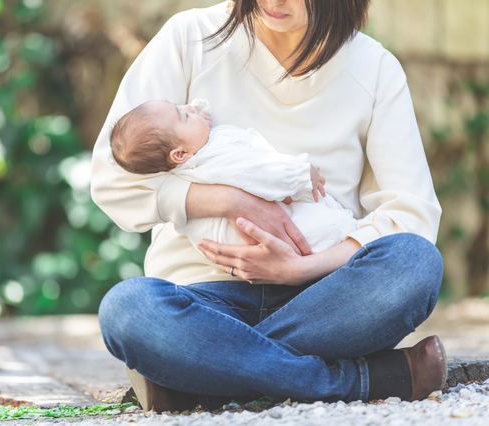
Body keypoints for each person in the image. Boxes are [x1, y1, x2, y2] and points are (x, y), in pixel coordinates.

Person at [91, 0, 445, 410]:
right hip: (203, 302)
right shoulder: (189, 37)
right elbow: (111, 178)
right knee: (128, 310)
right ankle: (356, 380)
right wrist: (229, 200)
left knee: (416, 262)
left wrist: (299, 268)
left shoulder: (375, 68)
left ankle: (205, 375)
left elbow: (412, 215)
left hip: (325, 300)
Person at [109, 98, 356, 253]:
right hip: (286, 234)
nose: (188, 107)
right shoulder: (214, 160)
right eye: (183, 115)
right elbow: (260, 170)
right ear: (181, 154)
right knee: (331, 228)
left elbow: (193, 115)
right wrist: (301, 172)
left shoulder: (193, 157)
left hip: (262, 245)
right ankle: (350, 235)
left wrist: (196, 118)